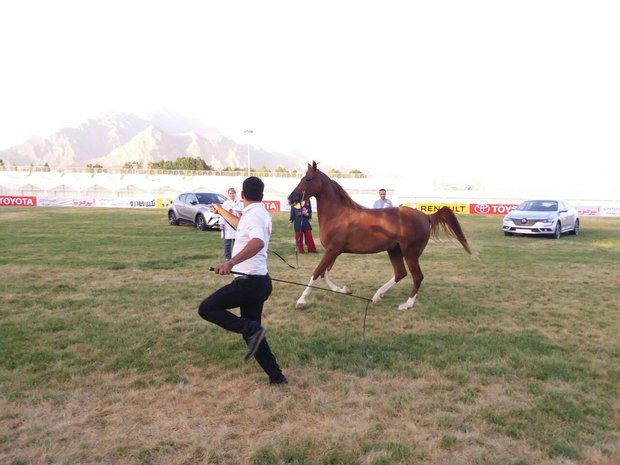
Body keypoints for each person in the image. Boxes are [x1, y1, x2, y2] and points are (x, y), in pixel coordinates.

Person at [198, 176, 287, 385]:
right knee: (252, 333)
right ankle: (277, 376)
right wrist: (221, 210)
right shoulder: (258, 213)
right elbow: (241, 226)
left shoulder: (253, 216)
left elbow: (257, 242)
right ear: (262, 196)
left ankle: (252, 331)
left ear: (242, 195)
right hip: (260, 282)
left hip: (249, 283)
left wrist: (230, 263)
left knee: (207, 308)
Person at [220, 187, 243, 260]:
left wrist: (240, 213)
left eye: (233, 193)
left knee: (236, 243)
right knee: (227, 243)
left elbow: (243, 214)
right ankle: (228, 258)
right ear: (228, 194)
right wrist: (221, 223)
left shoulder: (240, 203)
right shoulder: (226, 203)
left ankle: (235, 257)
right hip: (228, 225)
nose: (231, 195)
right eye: (230, 193)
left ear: (235, 194)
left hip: (236, 225)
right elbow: (222, 214)